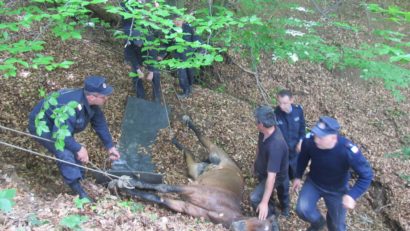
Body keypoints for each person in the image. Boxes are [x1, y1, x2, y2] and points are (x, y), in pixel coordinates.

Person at [28, 76, 121, 200]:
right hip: (43, 126)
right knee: (65, 153)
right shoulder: (70, 107)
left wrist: (110, 146)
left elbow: (100, 123)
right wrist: (78, 148)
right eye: (103, 96)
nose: (106, 98)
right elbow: (61, 135)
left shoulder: (90, 103)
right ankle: (78, 191)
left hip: (61, 127)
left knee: (75, 150)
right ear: (92, 97)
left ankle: (81, 181)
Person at [292, 116, 373, 231]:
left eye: (321, 137)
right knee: (302, 209)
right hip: (314, 183)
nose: (316, 139)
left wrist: (352, 195)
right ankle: (318, 224)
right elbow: (303, 158)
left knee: (337, 226)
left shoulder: (347, 151)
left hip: (337, 190)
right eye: (316, 135)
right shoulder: (309, 141)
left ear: (333, 138)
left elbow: (367, 175)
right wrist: (298, 176)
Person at [250, 105, 289, 220]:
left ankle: (270, 216)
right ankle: (271, 205)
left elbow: (272, 177)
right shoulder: (263, 131)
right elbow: (259, 147)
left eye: (256, 120)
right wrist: (255, 163)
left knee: (254, 198)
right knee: (267, 192)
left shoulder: (276, 145)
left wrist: (263, 203)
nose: (255, 123)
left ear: (261, 124)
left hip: (275, 175)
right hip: (264, 170)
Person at [122, 0, 163, 102]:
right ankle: (140, 97)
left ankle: (157, 97)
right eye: (137, 42)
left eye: (140, 42)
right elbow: (131, 56)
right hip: (136, 55)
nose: (139, 44)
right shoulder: (128, 42)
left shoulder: (149, 38)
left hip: (148, 55)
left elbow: (153, 55)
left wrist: (151, 71)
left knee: (156, 74)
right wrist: (137, 69)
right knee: (135, 75)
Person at [274, 89, 306, 216]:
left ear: (292, 100)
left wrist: (301, 141)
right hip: (282, 155)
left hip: (296, 153)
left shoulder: (298, 111)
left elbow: (302, 129)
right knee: (283, 183)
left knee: (295, 175)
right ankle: (285, 206)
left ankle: (296, 190)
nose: (282, 106)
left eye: (285, 103)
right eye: (280, 103)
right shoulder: (276, 113)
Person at [171, 15, 203, 99]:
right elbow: (167, 43)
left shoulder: (189, 28)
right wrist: (161, 55)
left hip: (189, 56)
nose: (177, 22)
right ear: (173, 21)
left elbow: (197, 39)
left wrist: (202, 50)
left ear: (183, 20)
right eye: (175, 20)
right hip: (179, 57)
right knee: (182, 75)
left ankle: (190, 87)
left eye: (179, 20)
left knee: (190, 73)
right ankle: (185, 92)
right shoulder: (171, 30)